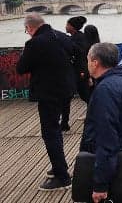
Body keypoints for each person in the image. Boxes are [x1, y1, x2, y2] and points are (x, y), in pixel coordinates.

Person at [16, 13, 74, 191]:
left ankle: (62, 177)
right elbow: (76, 54)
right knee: (55, 131)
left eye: (26, 30)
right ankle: (59, 166)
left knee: (50, 133)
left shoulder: (34, 43)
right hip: (66, 89)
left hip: (48, 93)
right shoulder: (62, 37)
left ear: (30, 28)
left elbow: (21, 68)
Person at [79, 43, 122, 203]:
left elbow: (106, 139)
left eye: (88, 60)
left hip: (109, 165)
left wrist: (100, 184)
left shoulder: (105, 90)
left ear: (95, 62)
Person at [61, 16, 89, 131]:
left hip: (79, 72)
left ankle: (64, 123)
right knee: (69, 97)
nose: (65, 27)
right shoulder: (75, 37)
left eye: (67, 24)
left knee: (84, 95)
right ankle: (64, 123)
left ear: (72, 27)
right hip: (74, 72)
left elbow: (81, 55)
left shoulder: (79, 39)